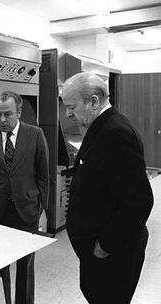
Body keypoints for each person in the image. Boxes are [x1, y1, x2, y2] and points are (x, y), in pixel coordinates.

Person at [62, 72, 153, 303]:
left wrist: (104, 245)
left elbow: (139, 201)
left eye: (71, 106)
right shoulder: (100, 128)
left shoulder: (116, 133)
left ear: (93, 101)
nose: (67, 113)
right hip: (98, 252)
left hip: (114, 253)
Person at [0, 91, 49, 304]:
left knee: (25, 265)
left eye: (7, 114)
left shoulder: (35, 135)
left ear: (19, 112)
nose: (2, 120)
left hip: (27, 210)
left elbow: (44, 175)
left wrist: (41, 208)